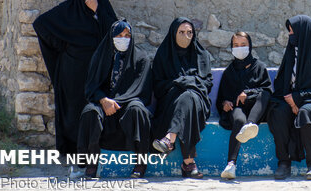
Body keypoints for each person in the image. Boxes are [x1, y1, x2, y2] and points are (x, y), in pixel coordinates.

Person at [32, 0, 117, 163]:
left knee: (93, 110)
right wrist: (62, 47)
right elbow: (40, 24)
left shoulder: (103, 10)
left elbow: (114, 33)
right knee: (73, 111)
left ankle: (93, 153)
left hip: (96, 72)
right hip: (72, 72)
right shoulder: (69, 10)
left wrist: (97, 11)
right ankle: (75, 153)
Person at [267, 15, 311, 180]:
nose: (289, 35)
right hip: (292, 100)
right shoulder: (292, 52)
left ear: (304, 33)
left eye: (292, 31)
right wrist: (290, 99)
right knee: (277, 112)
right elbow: (283, 81)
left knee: (306, 112)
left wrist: (299, 99)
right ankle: (284, 162)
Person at [77, 20, 152, 178]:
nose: (123, 38)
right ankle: (91, 162)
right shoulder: (100, 56)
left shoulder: (141, 59)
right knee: (90, 111)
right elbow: (91, 87)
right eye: (119, 35)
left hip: (128, 104)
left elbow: (141, 89)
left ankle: (140, 163)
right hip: (104, 104)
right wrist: (104, 101)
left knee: (138, 110)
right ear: (111, 37)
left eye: (127, 35)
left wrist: (117, 102)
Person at [151, 17, 213, 178]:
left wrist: (183, 82)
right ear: (173, 33)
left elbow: (207, 84)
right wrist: (181, 84)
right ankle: (188, 163)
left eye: (189, 32)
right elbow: (157, 85)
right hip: (171, 101)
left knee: (189, 97)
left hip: (199, 102)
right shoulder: (164, 55)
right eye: (181, 32)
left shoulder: (201, 55)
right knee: (187, 97)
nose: (186, 36)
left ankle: (169, 138)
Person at [216, 32, 272, 180]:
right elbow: (222, 97)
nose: (239, 48)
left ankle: (250, 125)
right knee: (239, 121)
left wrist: (247, 93)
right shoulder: (230, 71)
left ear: (250, 46)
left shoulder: (259, 67)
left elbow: (266, 89)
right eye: (236, 45)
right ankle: (231, 165)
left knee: (264, 94)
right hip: (238, 108)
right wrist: (225, 103)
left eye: (243, 45)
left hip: (257, 109)